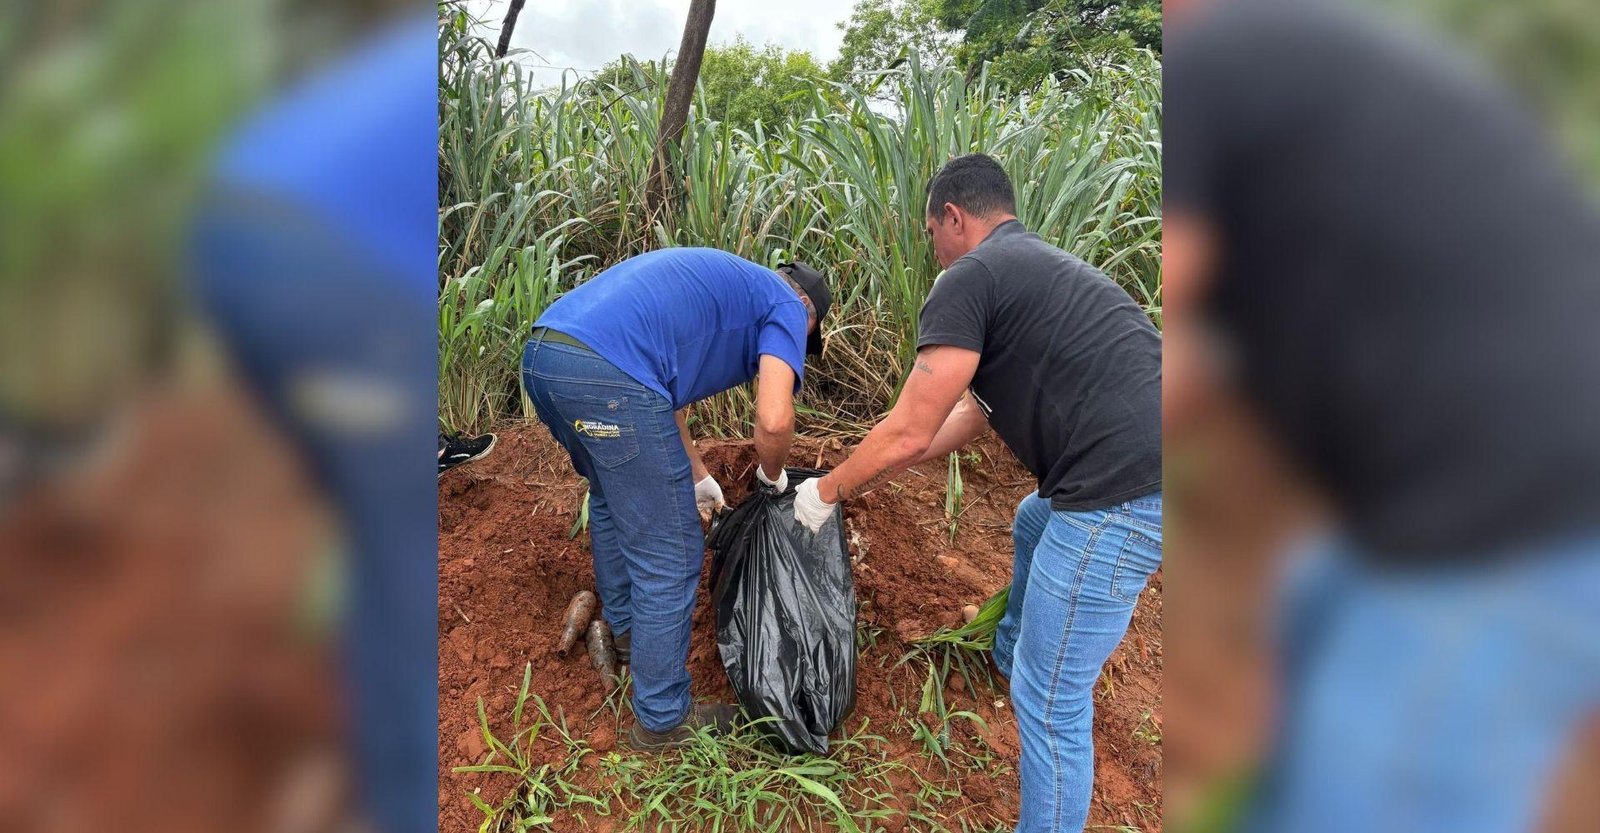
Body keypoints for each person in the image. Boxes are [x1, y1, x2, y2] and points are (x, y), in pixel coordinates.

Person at [1165, 1, 1600, 831]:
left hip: (1508, 523)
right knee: (1315, 601)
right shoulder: (1343, 64)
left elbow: (1169, 330)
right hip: (1517, 497)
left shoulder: (1218, 55)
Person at [792, 154, 1163, 832]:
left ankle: (1030, 683)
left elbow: (908, 427)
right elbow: (962, 416)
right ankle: (1010, 650)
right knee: (1032, 518)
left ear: (954, 217)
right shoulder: (1033, 267)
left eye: (931, 232)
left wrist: (827, 490)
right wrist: (883, 464)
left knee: (1051, 703)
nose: (932, 248)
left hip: (1120, 495)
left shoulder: (970, 275)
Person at [522, 248, 830, 750]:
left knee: (610, 496)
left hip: (547, 357)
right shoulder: (787, 306)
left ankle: (627, 633)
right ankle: (662, 718)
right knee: (672, 548)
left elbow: (665, 398)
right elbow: (775, 420)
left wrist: (699, 476)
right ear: (808, 314)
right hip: (606, 376)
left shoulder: (733, 288)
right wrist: (772, 480)